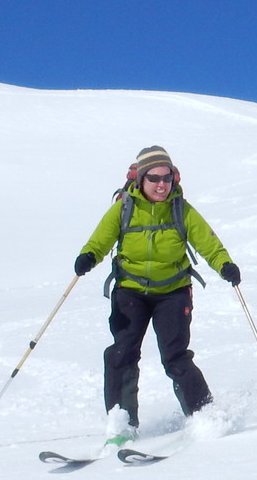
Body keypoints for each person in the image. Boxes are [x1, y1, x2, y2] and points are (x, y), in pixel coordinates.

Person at [72, 145, 241, 436]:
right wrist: (88, 256)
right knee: (121, 353)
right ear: (141, 180)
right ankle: (122, 423)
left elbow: (209, 243)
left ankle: (205, 415)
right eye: (154, 178)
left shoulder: (181, 209)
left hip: (173, 291)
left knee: (175, 356)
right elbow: (99, 240)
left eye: (167, 178)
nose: (162, 185)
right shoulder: (124, 208)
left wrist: (225, 265)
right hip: (130, 291)